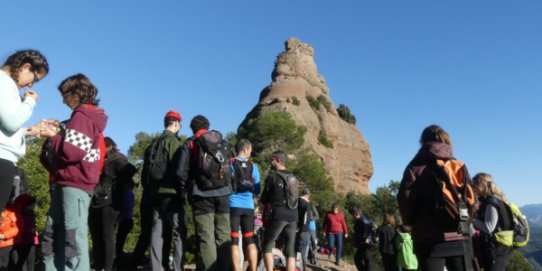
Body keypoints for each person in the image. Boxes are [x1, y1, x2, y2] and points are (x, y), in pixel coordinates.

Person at [39, 73, 108, 271]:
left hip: (75, 184)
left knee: (72, 239)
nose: (62, 100)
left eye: (64, 95)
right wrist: (60, 131)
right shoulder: (83, 117)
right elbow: (76, 145)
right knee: (55, 234)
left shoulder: (83, 116)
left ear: (76, 93)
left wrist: (53, 136)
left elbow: (72, 152)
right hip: (68, 183)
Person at [397, 125, 476, 271]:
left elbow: (405, 200)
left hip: (428, 239)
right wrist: (466, 221)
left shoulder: (415, 166)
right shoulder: (457, 164)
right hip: (460, 236)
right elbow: (471, 199)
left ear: (423, 142)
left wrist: (409, 223)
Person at [176, 115, 232, 271]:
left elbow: (181, 173)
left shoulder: (191, 143)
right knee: (223, 234)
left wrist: (184, 189)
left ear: (193, 128)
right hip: (224, 193)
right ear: (207, 126)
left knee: (206, 237)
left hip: (201, 195)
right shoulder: (220, 141)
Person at [0, 49, 48, 213]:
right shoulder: (5, 83)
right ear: (26, 67)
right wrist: (29, 102)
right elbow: (12, 122)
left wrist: (27, 132)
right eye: (34, 79)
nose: (30, 84)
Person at [90, 137, 136, 271]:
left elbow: (130, 170)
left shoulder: (116, 158)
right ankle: (99, 266)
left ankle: (108, 268)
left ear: (108, 146)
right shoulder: (100, 160)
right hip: (96, 201)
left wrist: (112, 186)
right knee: (96, 236)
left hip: (109, 202)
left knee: (107, 236)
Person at [149, 110, 186, 271]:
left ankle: (156, 267)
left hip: (155, 193)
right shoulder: (173, 142)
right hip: (171, 193)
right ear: (176, 123)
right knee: (179, 232)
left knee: (157, 232)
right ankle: (177, 268)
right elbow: (179, 168)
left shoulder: (155, 142)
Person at [260, 151, 298, 271]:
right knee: (290, 249)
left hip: (278, 214)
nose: (271, 162)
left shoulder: (272, 177)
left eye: (272, 159)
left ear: (279, 161)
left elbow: (264, 199)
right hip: (293, 215)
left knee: (267, 245)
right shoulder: (293, 177)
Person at [229, 139, 260, 271]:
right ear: (245, 149)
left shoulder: (230, 163)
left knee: (234, 241)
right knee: (250, 240)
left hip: (233, 205)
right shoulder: (253, 166)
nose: (250, 153)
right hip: (248, 206)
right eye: (250, 150)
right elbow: (257, 189)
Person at [472, 173, 513, 271]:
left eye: (474, 185)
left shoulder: (491, 203)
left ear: (481, 185)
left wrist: (471, 220)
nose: (472, 188)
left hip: (497, 248)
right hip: (503, 247)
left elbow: (488, 227)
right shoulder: (499, 199)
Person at [13, 194, 38, 271]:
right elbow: (20, 229)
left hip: (31, 241)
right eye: (32, 204)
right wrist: (30, 231)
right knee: (22, 262)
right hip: (23, 243)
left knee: (30, 262)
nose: (34, 206)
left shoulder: (31, 215)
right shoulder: (20, 216)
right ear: (26, 205)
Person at [115, 180, 135, 269]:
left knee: (119, 242)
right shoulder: (131, 193)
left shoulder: (127, 193)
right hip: (128, 219)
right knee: (120, 242)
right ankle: (121, 261)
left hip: (125, 220)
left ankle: (121, 263)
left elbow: (127, 206)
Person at [296, 187, 315, 269]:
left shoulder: (295, 201)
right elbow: (305, 218)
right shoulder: (307, 204)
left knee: (294, 252)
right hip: (304, 231)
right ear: (308, 195)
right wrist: (301, 227)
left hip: (293, 230)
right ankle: (303, 269)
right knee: (302, 254)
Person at [0, 203, 19, 270]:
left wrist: (4, 235)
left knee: (5, 264)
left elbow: (16, 228)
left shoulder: (10, 214)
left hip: (8, 244)